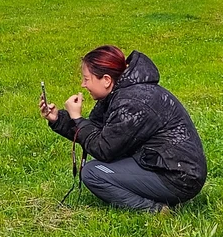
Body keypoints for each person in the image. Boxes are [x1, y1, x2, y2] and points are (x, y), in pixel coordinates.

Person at [40, 45, 206, 213]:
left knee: (93, 173)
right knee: (98, 167)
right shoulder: (121, 93)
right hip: (161, 164)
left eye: (86, 79)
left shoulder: (132, 101)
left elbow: (103, 148)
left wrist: (77, 118)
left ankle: (154, 210)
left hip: (178, 177)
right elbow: (97, 131)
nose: (83, 85)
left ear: (106, 80)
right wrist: (58, 119)